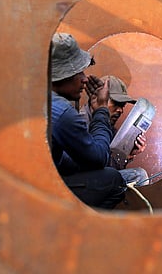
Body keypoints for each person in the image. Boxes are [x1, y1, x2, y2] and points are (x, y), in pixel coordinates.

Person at [47, 33, 125, 210]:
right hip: (38, 190)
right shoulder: (63, 112)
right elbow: (98, 159)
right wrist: (101, 110)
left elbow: (61, 159)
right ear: (62, 76)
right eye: (77, 72)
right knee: (113, 180)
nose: (84, 78)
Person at [79, 75, 149, 186]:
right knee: (139, 175)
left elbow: (108, 169)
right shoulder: (81, 124)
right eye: (116, 104)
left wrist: (128, 155)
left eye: (123, 106)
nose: (120, 110)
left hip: (93, 182)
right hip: (80, 186)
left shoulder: (108, 126)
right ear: (98, 99)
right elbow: (96, 167)